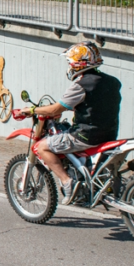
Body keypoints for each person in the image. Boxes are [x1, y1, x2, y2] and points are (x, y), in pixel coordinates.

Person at [26, 41, 122, 205]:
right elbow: (97, 104)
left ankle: (66, 181)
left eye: (70, 61)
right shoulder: (113, 81)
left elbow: (54, 110)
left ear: (79, 63)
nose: (69, 64)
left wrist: (31, 110)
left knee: (41, 146)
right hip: (109, 134)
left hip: (85, 136)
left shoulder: (80, 85)